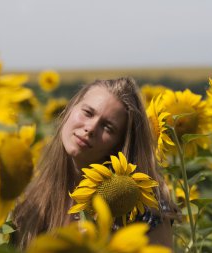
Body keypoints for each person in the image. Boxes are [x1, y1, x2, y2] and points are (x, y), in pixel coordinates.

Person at [11, 77, 178, 251]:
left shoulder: (143, 209)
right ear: (70, 109)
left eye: (107, 127)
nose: (90, 128)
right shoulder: (30, 196)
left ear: (120, 144)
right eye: (88, 113)